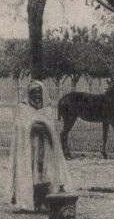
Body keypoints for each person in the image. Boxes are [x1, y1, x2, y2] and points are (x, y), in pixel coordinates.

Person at [9, 80, 70, 211]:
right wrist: (35, 125)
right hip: (28, 147)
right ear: (28, 94)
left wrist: (42, 125)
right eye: (33, 93)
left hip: (45, 147)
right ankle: (30, 201)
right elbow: (22, 127)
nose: (36, 96)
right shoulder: (22, 109)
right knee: (31, 172)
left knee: (44, 173)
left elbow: (51, 128)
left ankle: (44, 201)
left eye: (39, 93)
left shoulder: (46, 109)